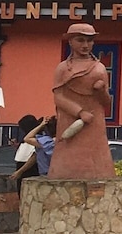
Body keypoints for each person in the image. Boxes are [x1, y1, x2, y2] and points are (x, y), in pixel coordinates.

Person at [49, 23, 116, 179]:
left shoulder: (99, 68)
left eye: (89, 40)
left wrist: (101, 91)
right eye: (80, 40)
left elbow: (106, 102)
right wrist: (79, 112)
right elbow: (58, 97)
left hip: (94, 121)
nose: (86, 45)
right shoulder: (63, 68)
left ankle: (100, 173)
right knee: (67, 150)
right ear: (70, 41)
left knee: (97, 158)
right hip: (70, 119)